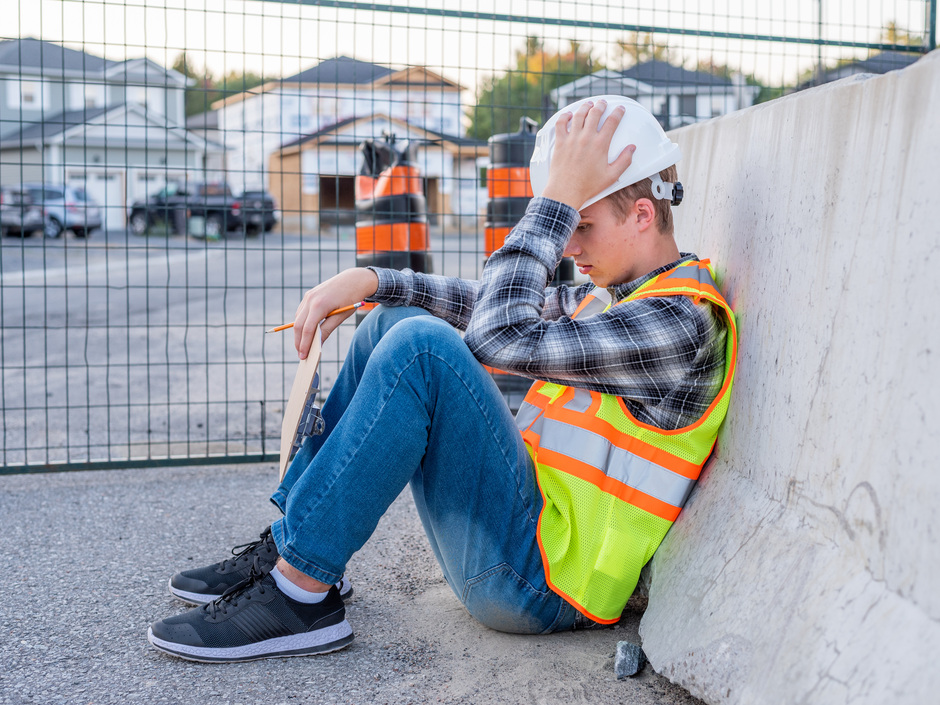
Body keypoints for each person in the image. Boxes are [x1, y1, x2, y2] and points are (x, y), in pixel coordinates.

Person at [147, 96, 737, 663]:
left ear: (640, 214)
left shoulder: (678, 323)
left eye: (579, 226)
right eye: (566, 228)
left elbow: (497, 336)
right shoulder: (612, 299)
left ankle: (298, 595)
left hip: (542, 586)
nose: (568, 247)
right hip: (525, 537)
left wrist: (553, 202)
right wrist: (377, 282)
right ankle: (292, 543)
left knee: (422, 349)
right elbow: (486, 304)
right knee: (394, 321)